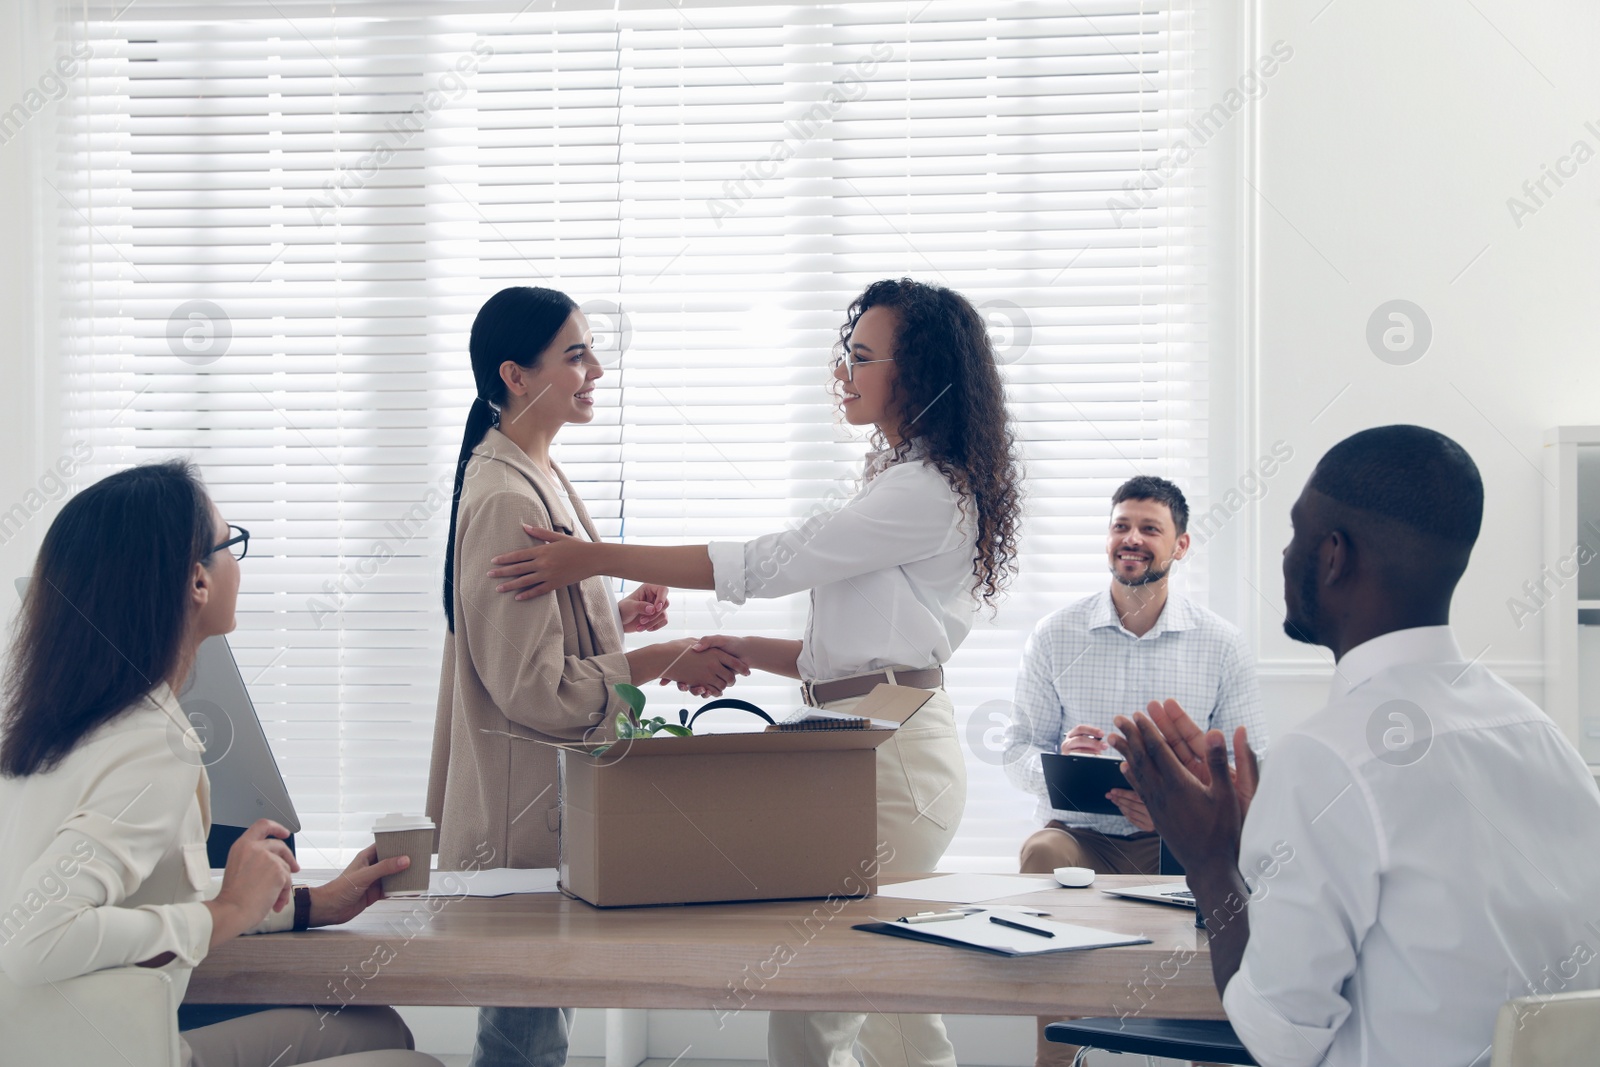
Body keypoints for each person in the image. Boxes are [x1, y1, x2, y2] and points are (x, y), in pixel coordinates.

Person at [482, 277, 1023, 1067]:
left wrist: (591, 556)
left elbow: (773, 560)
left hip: (897, 757)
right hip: (866, 734)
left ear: (921, 372)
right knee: (852, 999)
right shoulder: (905, 481)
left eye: (865, 356)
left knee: (847, 998)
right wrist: (725, 641)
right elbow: (826, 659)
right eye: (850, 351)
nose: (845, 370)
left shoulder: (925, 490)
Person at [1110, 425, 1600, 1067]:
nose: (1284, 555)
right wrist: (1254, 841)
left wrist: (1206, 859)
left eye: (1294, 535)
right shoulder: (1539, 735)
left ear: (1332, 555)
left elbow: (1278, 1040)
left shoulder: (1329, 756)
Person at [0, 461, 440, 1067]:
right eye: (230, 544)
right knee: (413, 1064)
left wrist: (304, 904)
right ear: (196, 582)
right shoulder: (147, 747)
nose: (238, 562)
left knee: (376, 1031)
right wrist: (227, 911)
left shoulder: (51, 728)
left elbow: (128, 899)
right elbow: (32, 939)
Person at [426, 286, 748, 1067]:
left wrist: (614, 614)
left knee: (533, 1029)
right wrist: (658, 659)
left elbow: (541, 634)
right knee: (523, 1037)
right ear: (514, 373)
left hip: (546, 807)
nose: (596, 368)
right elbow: (533, 686)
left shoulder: (535, 469)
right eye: (575, 354)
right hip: (522, 816)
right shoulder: (505, 494)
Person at [1001, 474, 1265, 1066]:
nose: (1133, 539)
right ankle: (1056, 1058)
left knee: (1233, 882)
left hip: (1182, 841)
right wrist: (1060, 764)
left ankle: (1213, 1052)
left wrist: (1181, 798)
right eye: (1122, 525)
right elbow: (1016, 748)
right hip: (1081, 837)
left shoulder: (1221, 644)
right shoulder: (1055, 635)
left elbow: (1252, 769)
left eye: (1150, 528)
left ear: (1181, 546)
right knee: (1040, 852)